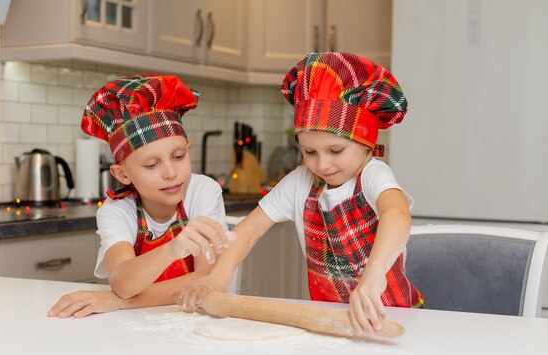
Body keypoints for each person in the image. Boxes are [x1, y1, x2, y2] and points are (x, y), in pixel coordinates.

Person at [182, 52, 424, 335]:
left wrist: (373, 276)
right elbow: (248, 230)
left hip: (395, 316)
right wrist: (218, 278)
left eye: (335, 151)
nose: (322, 164)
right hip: (330, 322)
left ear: (366, 143)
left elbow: (396, 214)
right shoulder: (301, 183)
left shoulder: (372, 175)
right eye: (309, 152)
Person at [48, 74, 234, 318]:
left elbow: (204, 279)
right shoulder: (117, 210)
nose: (171, 173)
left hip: (196, 320)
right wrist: (172, 249)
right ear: (122, 174)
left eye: (178, 157)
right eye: (151, 165)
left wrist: (118, 302)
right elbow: (123, 284)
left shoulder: (202, 191)